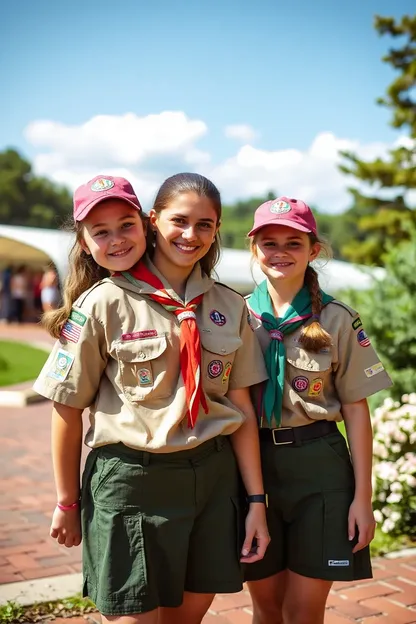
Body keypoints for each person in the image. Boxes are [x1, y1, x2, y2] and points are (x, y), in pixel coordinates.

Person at [34, 173, 270, 624]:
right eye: (179, 220)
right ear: (155, 221)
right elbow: (66, 406)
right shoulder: (102, 303)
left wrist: (256, 502)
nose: (190, 234)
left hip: (212, 482)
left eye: (205, 224)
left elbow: (241, 410)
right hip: (133, 484)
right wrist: (67, 501)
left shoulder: (229, 305)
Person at [243, 196, 393, 624]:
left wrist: (363, 497)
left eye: (294, 243)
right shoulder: (235, 316)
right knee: (267, 607)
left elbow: (357, 411)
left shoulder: (337, 319)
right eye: (269, 243)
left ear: (314, 250)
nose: (280, 253)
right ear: (254, 249)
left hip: (320, 469)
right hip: (252, 467)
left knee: (305, 609)